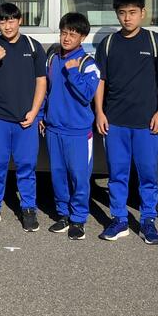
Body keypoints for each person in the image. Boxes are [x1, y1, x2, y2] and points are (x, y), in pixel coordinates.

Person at [94, 0, 158, 245]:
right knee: (117, 174)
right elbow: (100, 81)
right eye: (122, 13)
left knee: (147, 174)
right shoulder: (108, 43)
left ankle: (148, 220)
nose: (127, 18)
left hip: (146, 123)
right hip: (115, 122)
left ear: (142, 13)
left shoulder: (154, 41)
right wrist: (100, 112)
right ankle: (119, 220)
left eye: (132, 12)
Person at [0, 3, 47, 232]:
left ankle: (28, 209)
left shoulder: (33, 47)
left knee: (26, 166)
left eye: (11, 20)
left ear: (20, 20)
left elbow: (41, 81)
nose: (7, 26)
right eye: (2, 21)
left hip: (26, 119)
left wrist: (34, 111)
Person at [42, 13, 100, 240]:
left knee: (79, 177)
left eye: (72, 34)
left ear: (82, 37)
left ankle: (78, 218)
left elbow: (87, 95)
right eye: (64, 33)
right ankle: (63, 215)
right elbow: (46, 90)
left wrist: (73, 71)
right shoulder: (52, 59)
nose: (66, 38)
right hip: (54, 128)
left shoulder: (88, 64)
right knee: (58, 176)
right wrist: (42, 115)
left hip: (78, 132)